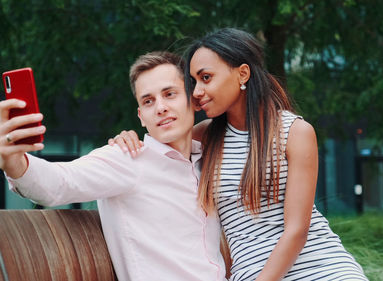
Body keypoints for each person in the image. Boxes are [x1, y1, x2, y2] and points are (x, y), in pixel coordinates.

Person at [112, 28, 368, 281]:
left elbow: (297, 231)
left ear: (242, 74)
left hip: (323, 269)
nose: (197, 92)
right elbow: (156, 149)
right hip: (250, 273)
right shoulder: (205, 136)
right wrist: (126, 139)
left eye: (206, 78)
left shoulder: (295, 132)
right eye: (194, 82)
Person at [0, 51, 228, 281]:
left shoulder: (206, 163)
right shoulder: (127, 159)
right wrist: (13, 160)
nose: (160, 107)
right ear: (141, 116)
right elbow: (58, 183)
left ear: (193, 101)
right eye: (148, 101)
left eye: (170, 94)